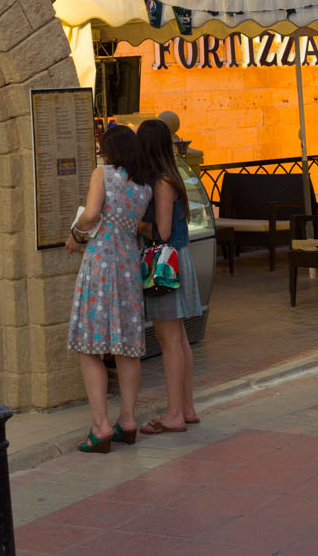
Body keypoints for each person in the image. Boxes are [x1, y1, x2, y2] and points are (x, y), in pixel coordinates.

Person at [65, 123, 155, 452]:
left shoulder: (102, 174)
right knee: (127, 347)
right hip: (129, 264)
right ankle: (128, 421)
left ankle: (100, 427)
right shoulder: (145, 185)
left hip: (101, 261)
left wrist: (75, 235)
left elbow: (91, 214)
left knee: (90, 347)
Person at [135, 118, 201, 435]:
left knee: (169, 340)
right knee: (180, 339)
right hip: (179, 257)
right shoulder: (171, 175)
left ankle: (173, 413)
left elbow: (160, 231)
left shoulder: (161, 183)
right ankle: (185, 408)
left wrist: (135, 223)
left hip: (165, 263)